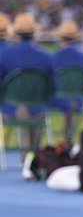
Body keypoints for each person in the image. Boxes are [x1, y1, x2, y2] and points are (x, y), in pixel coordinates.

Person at [0, 13, 57, 179]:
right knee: (34, 112)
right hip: (38, 108)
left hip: (10, 108)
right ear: (34, 33)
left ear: (15, 33)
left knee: (24, 110)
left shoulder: (4, 55)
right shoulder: (46, 56)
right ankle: (31, 157)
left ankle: (29, 157)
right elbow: (52, 88)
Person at [49, 19, 83, 143]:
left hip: (57, 99)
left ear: (61, 38)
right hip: (78, 99)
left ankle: (66, 140)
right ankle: (68, 139)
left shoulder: (55, 57)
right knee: (71, 103)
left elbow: (51, 83)